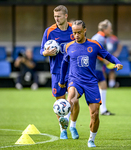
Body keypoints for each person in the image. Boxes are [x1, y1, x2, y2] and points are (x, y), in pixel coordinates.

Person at [58, 20, 123, 147]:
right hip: (74, 80)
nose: (76, 35)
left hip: (91, 83)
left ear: (85, 31)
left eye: (79, 32)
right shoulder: (69, 46)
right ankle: (66, 119)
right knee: (71, 97)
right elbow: (64, 64)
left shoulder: (94, 45)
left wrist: (117, 62)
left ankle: (91, 139)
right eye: (74, 33)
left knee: (95, 113)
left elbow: (107, 56)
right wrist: (62, 81)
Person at [40, 5, 79, 140]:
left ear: (66, 16)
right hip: (57, 71)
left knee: (73, 99)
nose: (56, 19)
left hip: (73, 70)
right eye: (55, 16)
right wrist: (47, 52)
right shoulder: (49, 31)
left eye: (59, 16)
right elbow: (42, 51)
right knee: (60, 102)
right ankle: (63, 130)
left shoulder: (74, 29)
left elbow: (82, 45)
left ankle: (72, 126)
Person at [91, 19, 116, 115]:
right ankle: (102, 110)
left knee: (103, 85)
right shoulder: (100, 38)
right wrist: (108, 63)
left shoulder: (98, 37)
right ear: (104, 29)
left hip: (95, 67)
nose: (111, 30)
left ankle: (103, 109)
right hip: (95, 67)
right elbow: (97, 53)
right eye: (110, 28)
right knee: (101, 86)